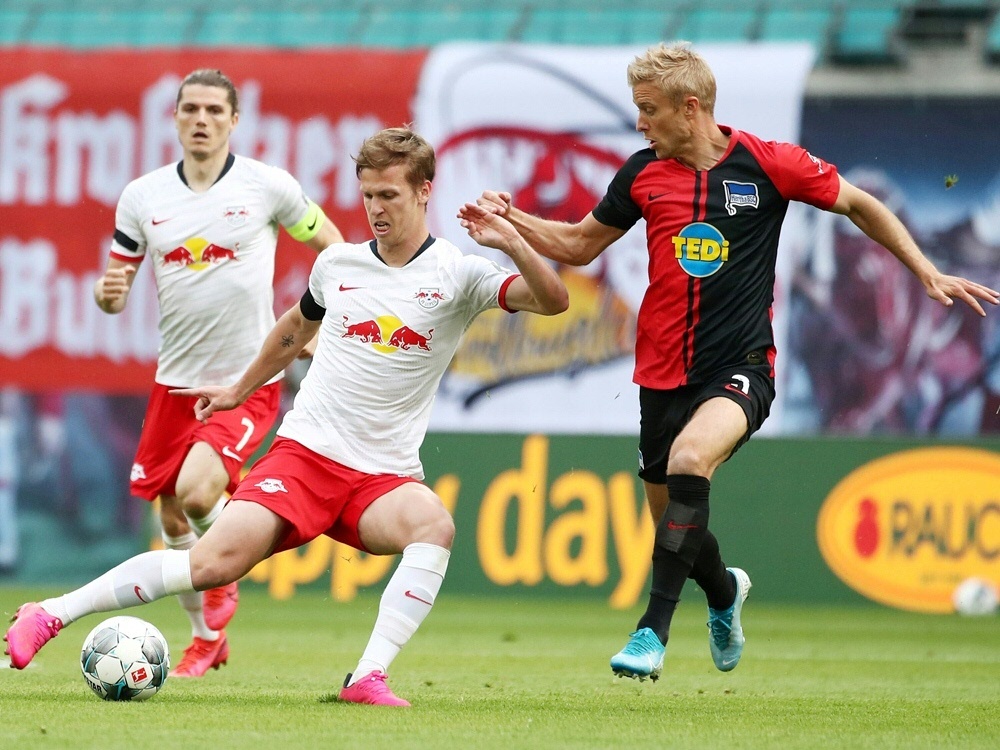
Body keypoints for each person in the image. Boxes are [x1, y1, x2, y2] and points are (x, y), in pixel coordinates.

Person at [475, 42, 999, 682]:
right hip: (660, 373)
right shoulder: (642, 175)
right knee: (675, 522)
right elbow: (581, 245)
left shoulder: (769, 164)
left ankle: (651, 632)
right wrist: (512, 221)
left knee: (690, 460)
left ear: (689, 108)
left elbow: (860, 203)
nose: (639, 123)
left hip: (742, 365)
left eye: (648, 110)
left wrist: (924, 271)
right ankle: (724, 593)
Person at [4, 127, 569, 706]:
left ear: (425, 191)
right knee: (211, 564)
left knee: (434, 526)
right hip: (305, 458)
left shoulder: (458, 273)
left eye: (390, 196)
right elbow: (295, 327)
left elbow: (554, 300)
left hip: (382, 477)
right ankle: (49, 613)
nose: (376, 209)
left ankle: (367, 677)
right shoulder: (338, 264)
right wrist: (238, 390)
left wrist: (512, 240)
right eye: (368, 195)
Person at [90, 69, 344, 678]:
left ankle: (222, 574)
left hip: (243, 380)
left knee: (197, 493)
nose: (200, 120)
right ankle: (207, 639)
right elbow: (113, 289)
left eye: (212, 110)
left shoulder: (267, 187)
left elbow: (331, 248)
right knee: (171, 518)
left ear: (234, 120)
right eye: (190, 109)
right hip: (174, 382)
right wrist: (107, 294)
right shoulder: (143, 197)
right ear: (175, 118)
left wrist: (319, 323)